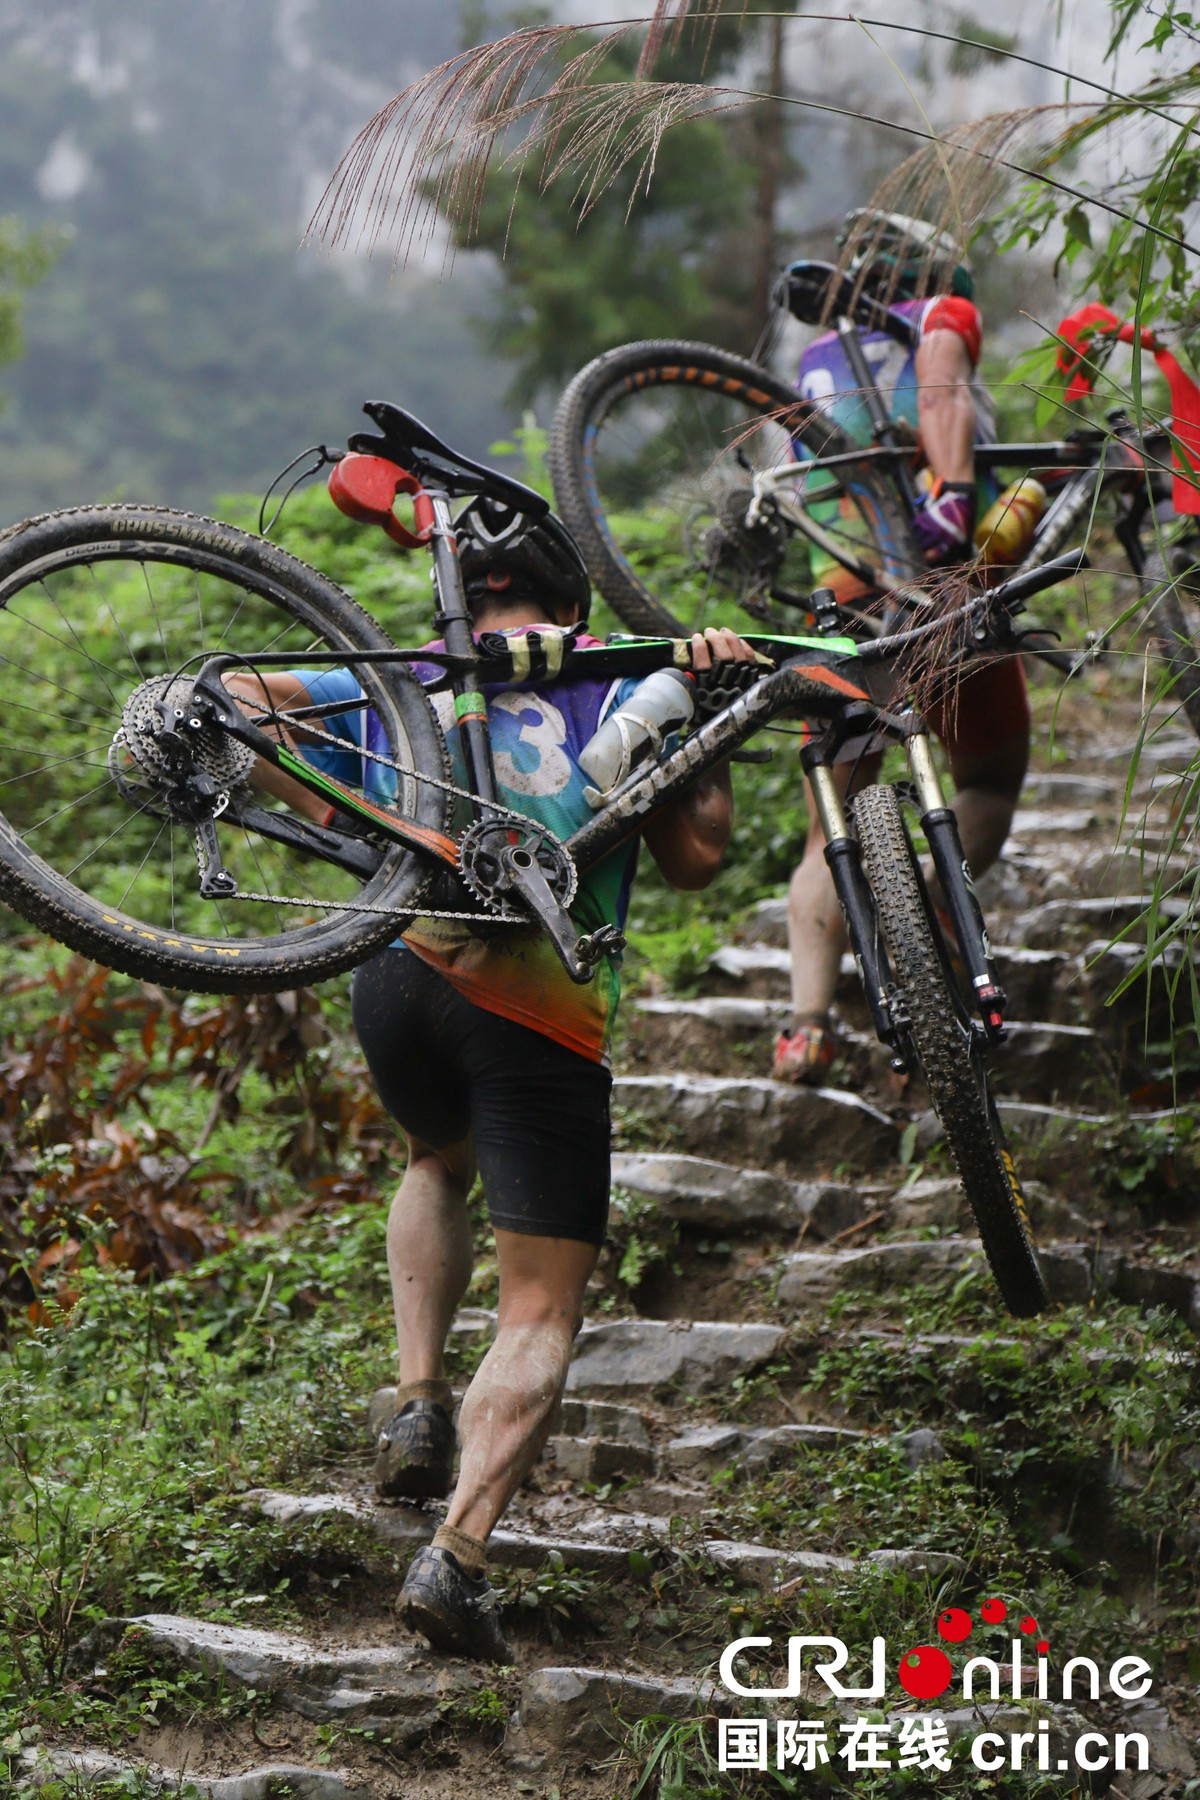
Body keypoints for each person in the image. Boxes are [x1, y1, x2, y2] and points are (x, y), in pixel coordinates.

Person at [232, 499, 755, 1661]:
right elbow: (697, 859)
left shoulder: (420, 678)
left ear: (465, 601)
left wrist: (355, 829)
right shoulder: (624, 685)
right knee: (539, 1306)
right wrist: (705, 720)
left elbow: (248, 704)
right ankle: (457, 1556)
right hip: (539, 1022)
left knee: (433, 1155)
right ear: (574, 609)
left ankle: (419, 1397)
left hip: (398, 976)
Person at [773, 210, 1031, 1084]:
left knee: (829, 828)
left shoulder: (814, 361)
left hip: (841, 591)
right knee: (988, 776)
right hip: (945, 584)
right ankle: (928, 923)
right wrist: (955, 490)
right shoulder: (942, 319)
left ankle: (805, 1024)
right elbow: (942, 392)